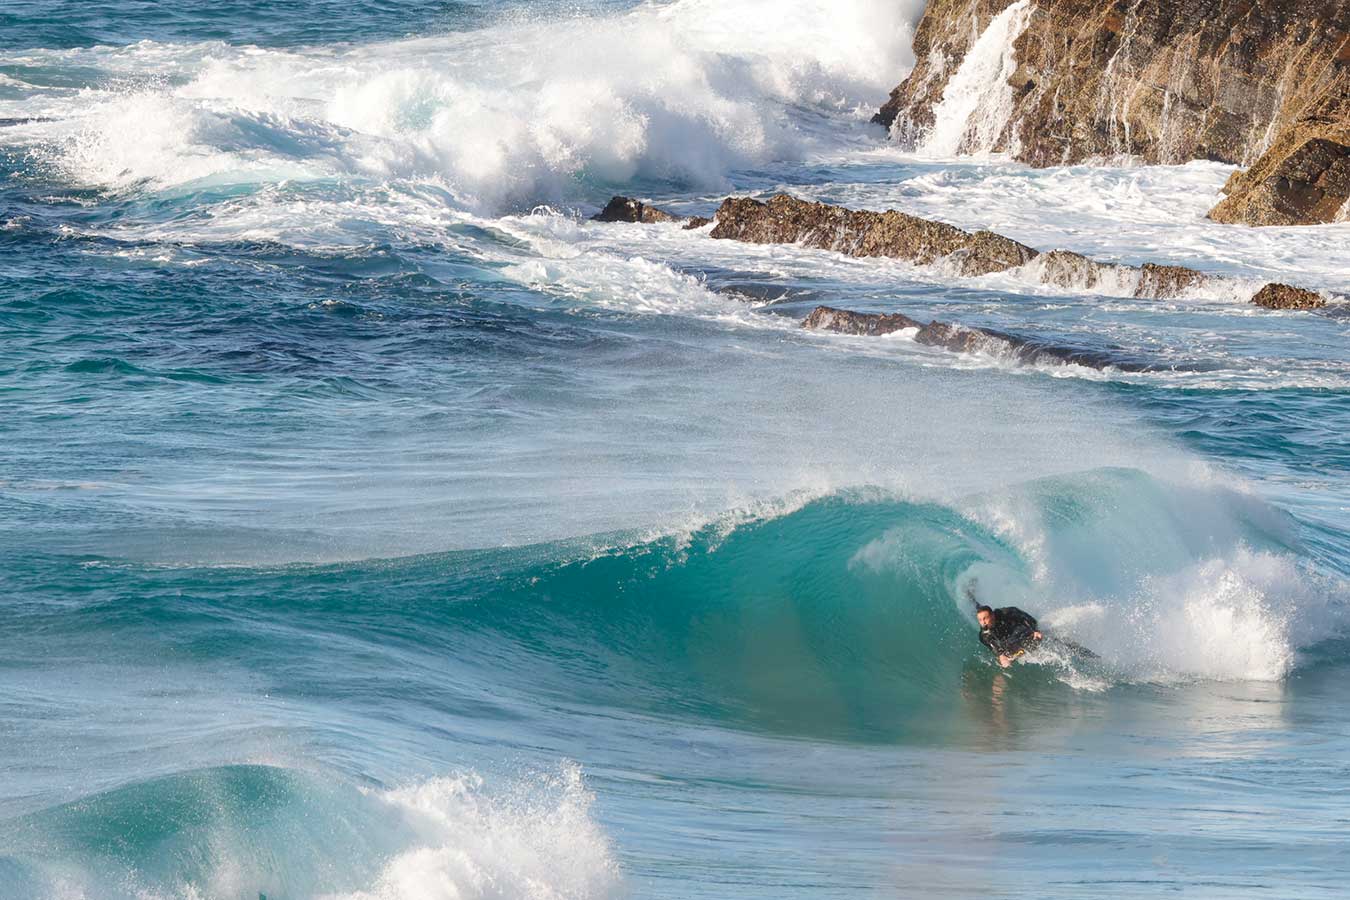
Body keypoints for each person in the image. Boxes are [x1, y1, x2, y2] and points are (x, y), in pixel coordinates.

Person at [975, 605, 1043, 668]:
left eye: (985, 618)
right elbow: (993, 647)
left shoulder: (1007, 613)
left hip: (1017, 627)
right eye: (980, 620)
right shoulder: (983, 635)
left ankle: (1029, 639)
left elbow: (1027, 618)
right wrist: (1001, 656)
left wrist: (1035, 630)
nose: (983, 623)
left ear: (992, 615)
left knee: (1014, 639)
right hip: (1006, 637)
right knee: (1006, 647)